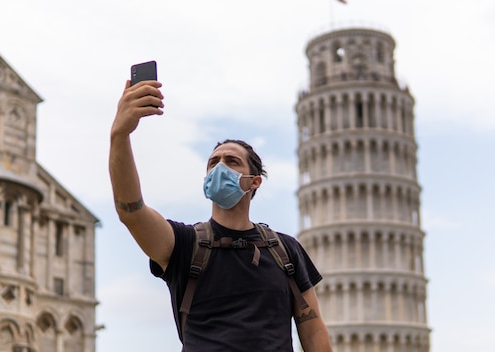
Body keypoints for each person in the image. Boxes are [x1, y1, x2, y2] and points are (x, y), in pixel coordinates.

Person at [109, 79, 332, 352]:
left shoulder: (286, 251)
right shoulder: (184, 244)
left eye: (232, 161)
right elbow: (131, 210)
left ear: (254, 182)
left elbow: (313, 330)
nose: (220, 168)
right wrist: (120, 136)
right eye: (213, 162)